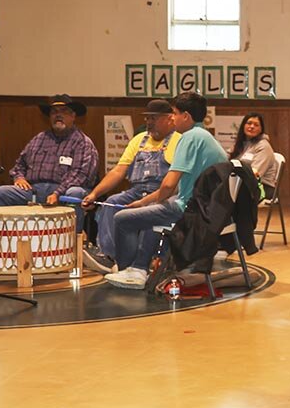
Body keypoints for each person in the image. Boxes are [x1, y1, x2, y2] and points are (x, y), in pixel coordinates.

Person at [104, 92, 228, 289]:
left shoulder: (189, 138)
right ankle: (140, 266)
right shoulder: (204, 136)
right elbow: (176, 186)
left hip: (189, 210)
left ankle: (132, 271)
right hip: (208, 208)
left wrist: (152, 202)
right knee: (146, 212)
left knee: (122, 218)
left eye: (175, 114)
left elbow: (169, 185)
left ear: (186, 116)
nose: (172, 117)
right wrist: (143, 202)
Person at [81, 99, 182, 273]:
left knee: (149, 210)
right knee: (112, 202)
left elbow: (174, 184)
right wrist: (95, 194)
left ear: (169, 119)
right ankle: (109, 256)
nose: (149, 123)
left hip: (162, 193)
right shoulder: (139, 140)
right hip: (136, 191)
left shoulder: (179, 141)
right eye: (148, 118)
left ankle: (142, 262)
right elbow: (118, 172)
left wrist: (149, 200)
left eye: (154, 118)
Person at [0, 94, 98, 233]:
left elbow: (80, 175)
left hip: (65, 191)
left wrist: (57, 193)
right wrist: (19, 177)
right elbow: (19, 164)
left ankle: (71, 242)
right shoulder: (39, 139)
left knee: (74, 193)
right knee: (0, 193)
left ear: (73, 116)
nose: (58, 115)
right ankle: (5, 240)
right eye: (54, 112)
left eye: (64, 111)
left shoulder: (83, 142)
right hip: (34, 191)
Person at [229, 113, 277, 199]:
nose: (251, 126)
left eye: (256, 125)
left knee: (227, 196)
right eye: (249, 123)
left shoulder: (264, 147)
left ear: (261, 129)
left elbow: (255, 174)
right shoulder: (240, 144)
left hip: (262, 187)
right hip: (240, 183)